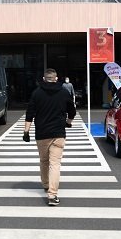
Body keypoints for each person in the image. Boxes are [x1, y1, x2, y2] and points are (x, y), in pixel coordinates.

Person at [23, 68, 76, 206]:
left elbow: (29, 114)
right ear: (56, 78)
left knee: (44, 161)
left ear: (44, 79)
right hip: (58, 133)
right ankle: (52, 195)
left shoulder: (36, 93)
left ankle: (46, 184)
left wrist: (26, 132)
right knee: (55, 164)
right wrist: (68, 123)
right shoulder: (64, 93)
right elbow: (72, 111)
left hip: (42, 134)